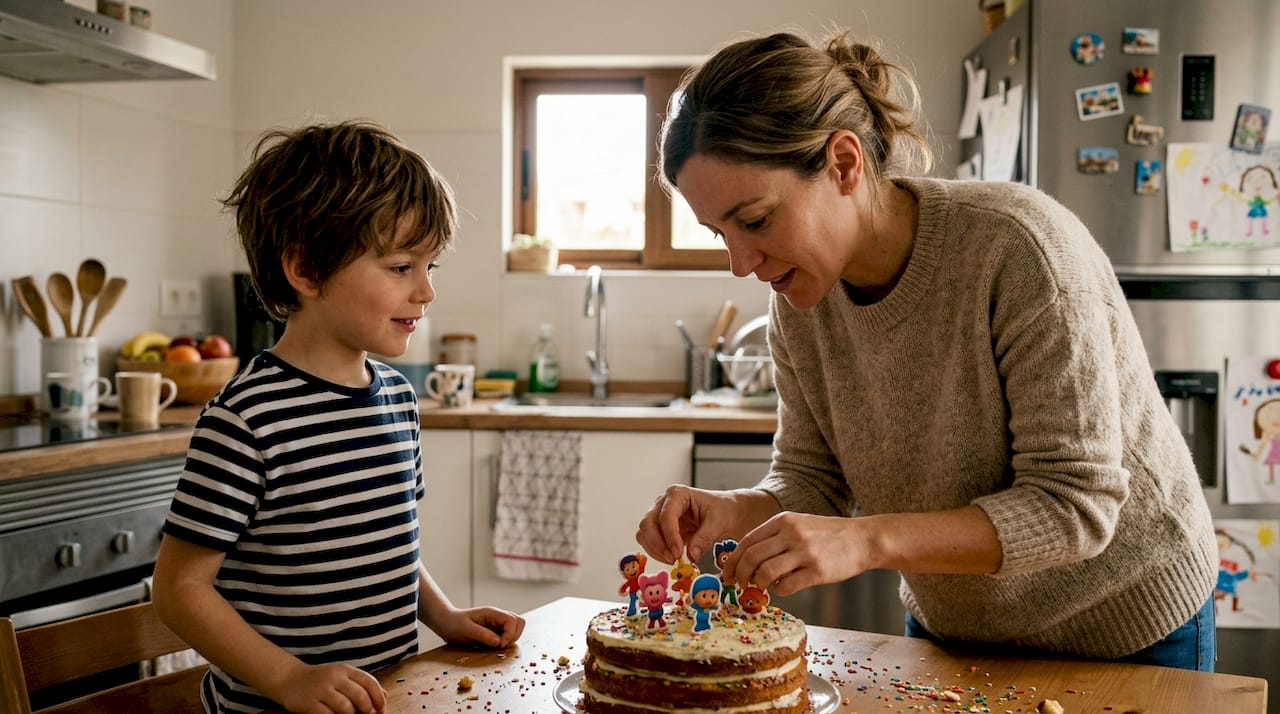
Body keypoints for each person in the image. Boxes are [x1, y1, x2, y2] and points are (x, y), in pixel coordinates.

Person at [637, 30, 1218, 671]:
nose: (742, 263)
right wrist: (735, 511)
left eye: (755, 220)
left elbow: (1074, 507)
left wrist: (867, 541)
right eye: (720, 233)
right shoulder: (800, 302)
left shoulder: (1018, 249)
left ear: (844, 163)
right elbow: (811, 480)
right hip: (957, 627)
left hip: (1127, 624)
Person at [152, 120, 526, 714]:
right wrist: (289, 678)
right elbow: (178, 591)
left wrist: (444, 615)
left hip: (387, 699)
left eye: (431, 268)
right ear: (305, 271)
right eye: (402, 267)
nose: (426, 292)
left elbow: (388, 545)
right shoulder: (248, 419)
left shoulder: (398, 399)